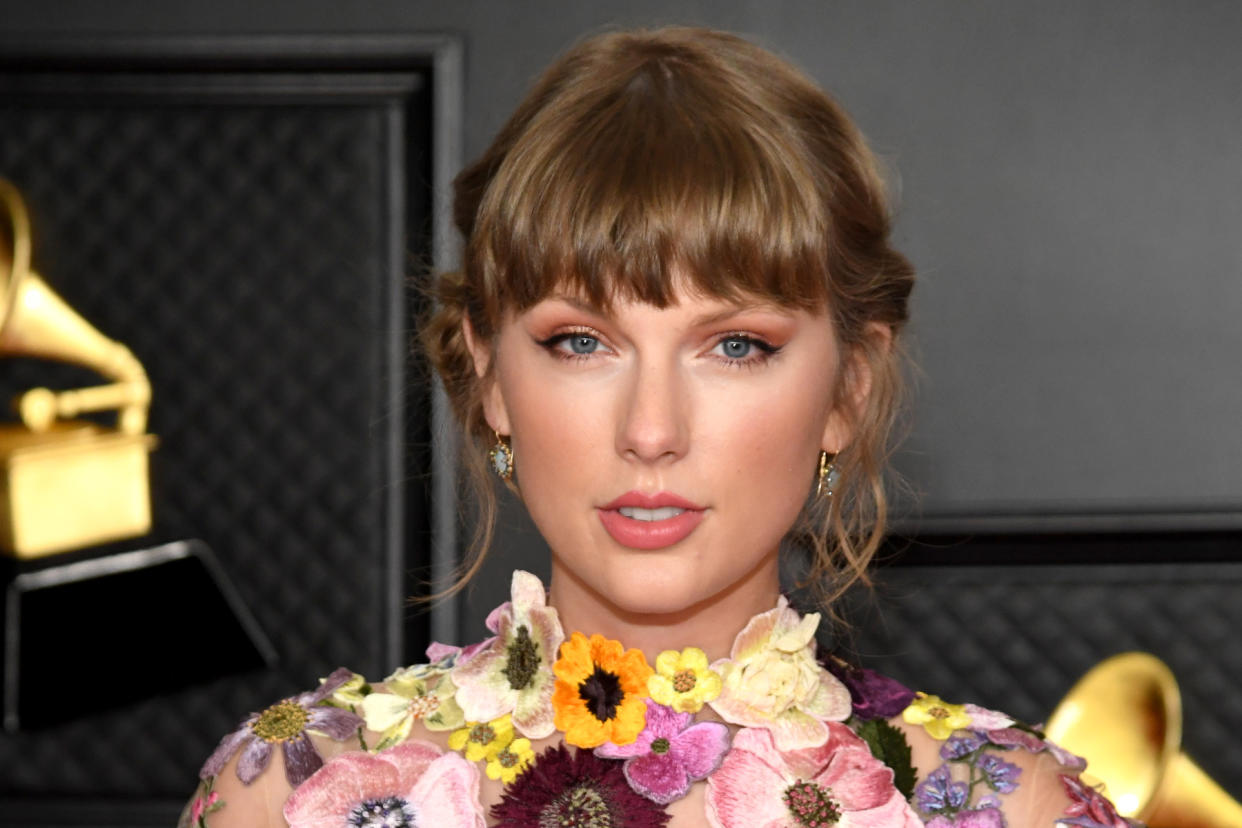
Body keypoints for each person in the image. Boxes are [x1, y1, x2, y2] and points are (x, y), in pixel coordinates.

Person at [182, 27, 1135, 828]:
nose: (650, 431)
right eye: (581, 341)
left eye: (735, 348)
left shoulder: (1002, 803)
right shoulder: (288, 792)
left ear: (847, 388)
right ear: (490, 375)